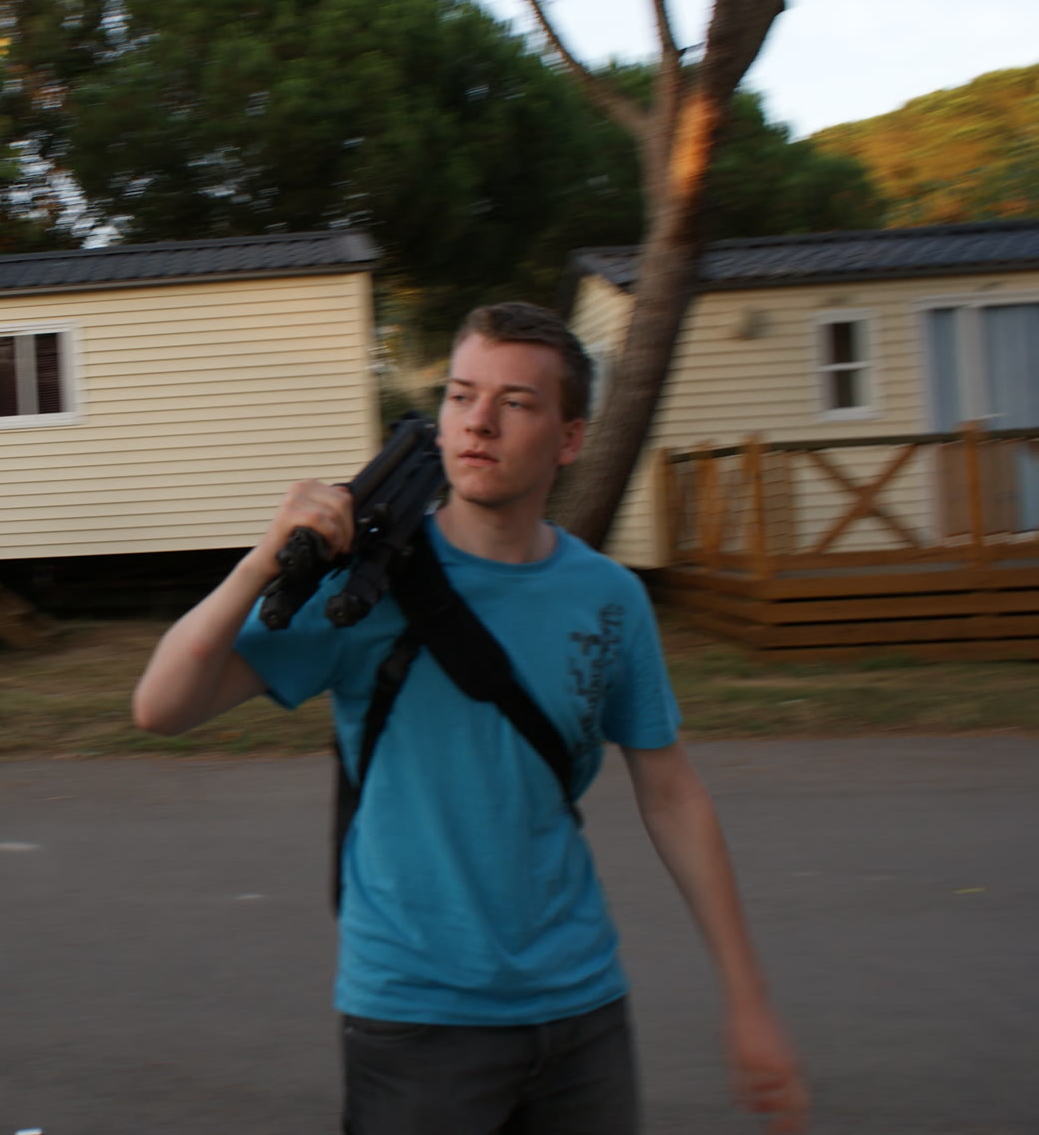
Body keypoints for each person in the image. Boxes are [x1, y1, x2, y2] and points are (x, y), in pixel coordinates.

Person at [132, 301, 809, 1135]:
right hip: (416, 1016)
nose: (479, 421)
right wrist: (262, 561)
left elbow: (671, 794)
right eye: (460, 395)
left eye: (515, 402)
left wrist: (748, 997)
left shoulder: (610, 598)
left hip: (584, 1008)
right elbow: (160, 706)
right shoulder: (364, 590)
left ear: (569, 438)